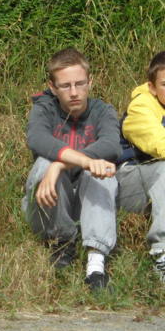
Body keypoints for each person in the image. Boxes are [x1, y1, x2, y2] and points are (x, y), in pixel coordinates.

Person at [23, 48, 120, 291]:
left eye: (80, 83)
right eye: (65, 86)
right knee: (44, 165)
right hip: (51, 203)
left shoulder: (103, 111)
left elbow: (111, 145)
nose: (74, 92)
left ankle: (96, 266)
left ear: (90, 82)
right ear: (53, 87)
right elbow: (38, 140)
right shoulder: (44, 109)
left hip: (90, 200)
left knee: (102, 171)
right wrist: (80, 161)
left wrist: (62, 163)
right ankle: (60, 246)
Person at [117, 51, 165, 284]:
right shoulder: (141, 107)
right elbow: (159, 145)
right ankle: (162, 252)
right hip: (127, 182)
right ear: (152, 86)